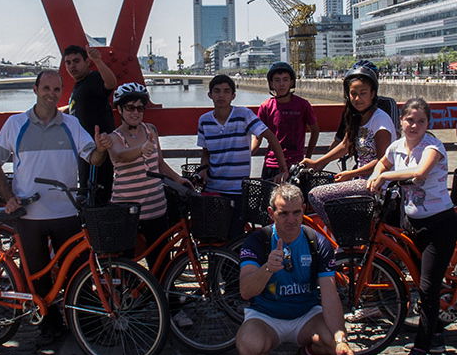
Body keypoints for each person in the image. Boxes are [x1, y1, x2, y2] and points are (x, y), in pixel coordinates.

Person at [0, 70, 110, 345]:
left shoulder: (71, 123)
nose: (51, 94)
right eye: (47, 88)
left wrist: (102, 149)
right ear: (35, 89)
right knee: (37, 272)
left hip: (66, 211)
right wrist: (8, 196)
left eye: (57, 89)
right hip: (30, 214)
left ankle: (85, 322)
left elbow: (93, 158)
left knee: (78, 270)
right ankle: (49, 323)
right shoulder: (15, 123)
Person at [236, 183, 357, 355]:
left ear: (304, 210)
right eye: (283, 214)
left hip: (306, 315)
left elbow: (329, 295)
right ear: (271, 213)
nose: (291, 220)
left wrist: (340, 338)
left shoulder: (317, 242)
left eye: (296, 212)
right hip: (266, 316)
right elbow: (245, 291)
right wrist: (267, 269)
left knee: (332, 343)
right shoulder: (257, 241)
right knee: (249, 348)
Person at [367, 98, 457, 355]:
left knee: (427, 289)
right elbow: (382, 160)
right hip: (412, 222)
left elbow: (419, 173)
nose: (414, 125)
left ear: (428, 124)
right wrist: (375, 173)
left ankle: (420, 353)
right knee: (421, 283)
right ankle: (437, 333)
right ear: (401, 122)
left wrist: (386, 177)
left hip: (438, 224)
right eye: (409, 120)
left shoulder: (432, 146)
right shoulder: (396, 146)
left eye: (420, 121)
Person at [105, 82, 192, 266]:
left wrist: (178, 178)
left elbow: (159, 163)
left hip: (156, 206)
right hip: (126, 210)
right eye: (130, 108)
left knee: (161, 259)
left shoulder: (150, 130)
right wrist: (141, 149)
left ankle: (162, 293)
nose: (135, 112)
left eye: (140, 108)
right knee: (126, 263)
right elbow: (120, 155)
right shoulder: (113, 137)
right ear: (120, 109)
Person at [197, 74, 287, 240]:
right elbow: (206, 152)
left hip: (238, 189)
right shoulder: (204, 121)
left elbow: (270, 137)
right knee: (212, 237)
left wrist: (283, 169)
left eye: (226, 91)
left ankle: (233, 265)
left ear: (233, 95)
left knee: (234, 236)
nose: (221, 95)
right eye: (217, 91)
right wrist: (203, 169)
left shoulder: (243, 115)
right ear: (210, 95)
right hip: (213, 188)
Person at [302, 65, 395, 226]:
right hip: (362, 180)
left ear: (373, 94)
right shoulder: (357, 117)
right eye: (353, 94)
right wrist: (318, 163)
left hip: (378, 184)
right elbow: (345, 145)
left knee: (316, 196)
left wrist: (352, 173)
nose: (357, 99)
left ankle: (343, 234)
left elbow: (384, 161)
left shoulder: (380, 120)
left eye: (363, 93)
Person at [63, 45, 117, 205]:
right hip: (86, 151)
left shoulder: (93, 79)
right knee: (87, 196)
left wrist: (98, 61)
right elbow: (75, 108)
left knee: (97, 198)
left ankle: (98, 229)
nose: (72, 66)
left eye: (76, 61)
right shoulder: (80, 86)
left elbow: (111, 83)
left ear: (87, 62)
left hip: (99, 152)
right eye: (68, 62)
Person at [251, 62, 319, 180]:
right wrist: (246, 153)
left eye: (285, 80)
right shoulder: (266, 106)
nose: (281, 84)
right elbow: (258, 137)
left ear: (291, 82)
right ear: (271, 83)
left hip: (296, 163)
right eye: (277, 80)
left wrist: (308, 157)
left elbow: (315, 131)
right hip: (271, 163)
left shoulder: (303, 105)